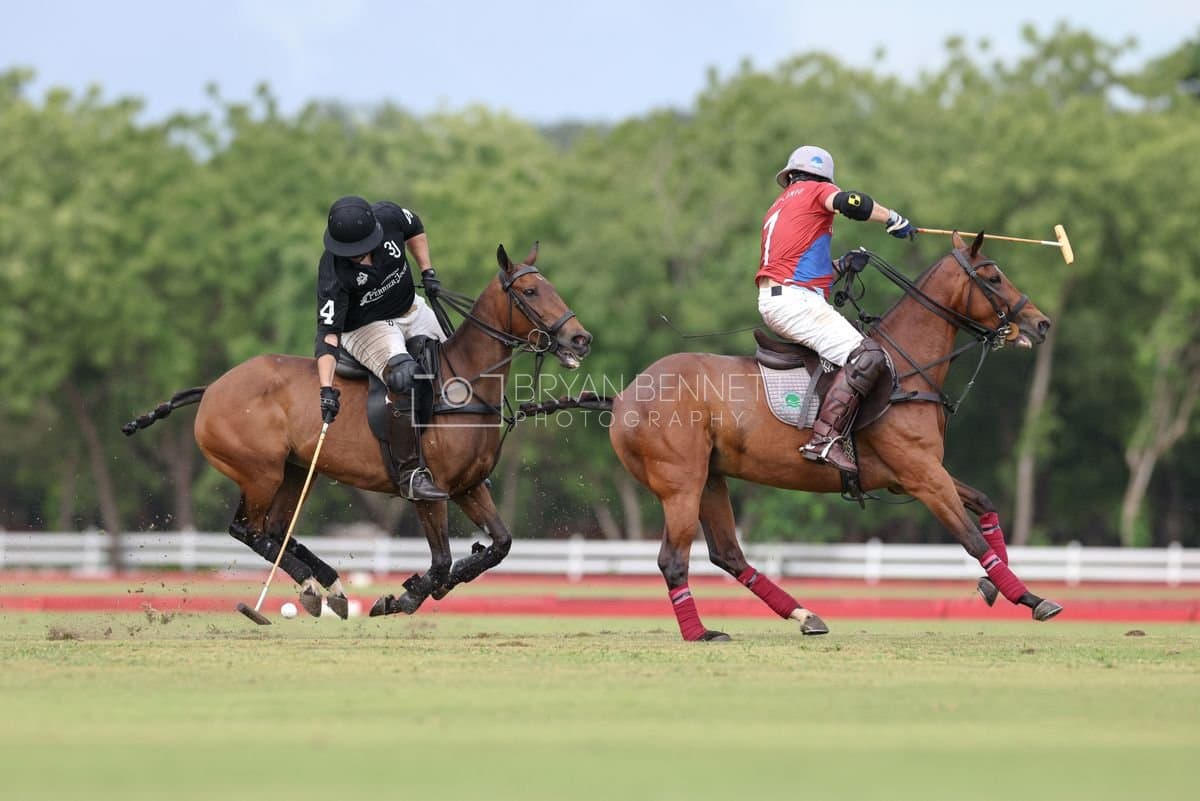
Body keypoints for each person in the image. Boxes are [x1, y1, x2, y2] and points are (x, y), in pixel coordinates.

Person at [756, 145, 917, 475]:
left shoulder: (781, 204)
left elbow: (796, 266)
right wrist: (892, 218)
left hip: (782, 296)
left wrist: (841, 265)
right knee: (868, 356)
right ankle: (825, 439)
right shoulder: (816, 189)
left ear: (789, 175)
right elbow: (850, 202)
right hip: (794, 302)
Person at [314, 195, 449, 501]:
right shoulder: (333, 272)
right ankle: (410, 474)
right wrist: (325, 389)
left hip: (410, 307)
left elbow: (415, 227)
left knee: (455, 365)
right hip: (364, 327)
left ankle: (457, 460)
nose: (358, 256)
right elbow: (328, 333)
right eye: (351, 252)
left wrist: (427, 271)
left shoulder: (388, 216)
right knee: (404, 377)